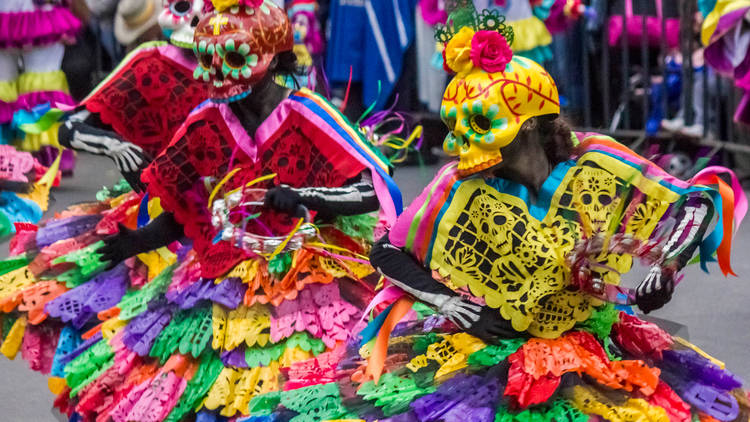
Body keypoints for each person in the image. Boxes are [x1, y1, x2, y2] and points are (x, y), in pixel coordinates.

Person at [249, 2, 749, 421]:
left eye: (480, 122)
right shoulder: (458, 183)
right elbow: (389, 250)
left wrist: (667, 264)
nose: (460, 141)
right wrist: (451, 304)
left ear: (530, 124)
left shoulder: (596, 159)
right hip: (490, 350)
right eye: (454, 123)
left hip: (590, 337)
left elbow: (694, 201)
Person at [0, 0, 402, 420]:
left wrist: (306, 197)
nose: (220, 73)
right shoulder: (206, 117)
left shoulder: (307, 111)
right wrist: (136, 240)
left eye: (234, 57)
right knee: (198, 385)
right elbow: (187, 211)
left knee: (290, 390)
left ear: (274, 56)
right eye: (209, 59)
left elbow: (373, 185)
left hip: (302, 278)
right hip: (221, 270)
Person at [58, 0, 211, 190]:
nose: (198, 20)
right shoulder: (149, 67)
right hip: (162, 201)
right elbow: (69, 129)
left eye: (209, 8)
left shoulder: (237, 68)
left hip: (230, 202)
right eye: (183, 7)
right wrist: (115, 146)